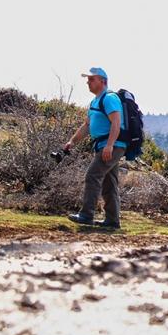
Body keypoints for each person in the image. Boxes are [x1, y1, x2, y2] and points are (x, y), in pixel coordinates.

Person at [65, 67, 127, 229]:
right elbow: (86, 125)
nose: (88, 82)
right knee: (109, 182)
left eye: (92, 79)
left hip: (112, 145)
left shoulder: (109, 98)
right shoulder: (95, 102)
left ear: (103, 81)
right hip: (105, 145)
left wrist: (110, 145)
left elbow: (116, 122)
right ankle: (112, 221)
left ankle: (86, 215)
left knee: (93, 175)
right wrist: (72, 142)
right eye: (88, 79)